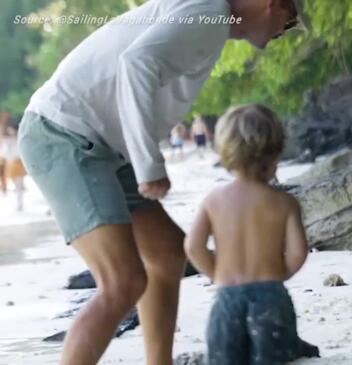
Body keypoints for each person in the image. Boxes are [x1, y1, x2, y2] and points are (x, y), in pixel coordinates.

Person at [17, 1, 309, 364]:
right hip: (66, 136)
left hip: (105, 144)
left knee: (168, 253)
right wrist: (149, 165)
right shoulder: (210, 11)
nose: (287, 31)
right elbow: (136, 63)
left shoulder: (212, 18)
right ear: (272, 4)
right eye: (292, 19)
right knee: (122, 282)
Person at [184, 104, 316, 365]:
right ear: (277, 152)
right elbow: (299, 252)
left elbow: (193, 247)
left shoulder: (214, 200)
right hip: (271, 296)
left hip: (228, 296)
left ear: (224, 153)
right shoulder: (284, 202)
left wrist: (216, 274)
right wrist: (278, 276)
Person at [1, 124, 26, 211]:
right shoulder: (7, 141)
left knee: (19, 184)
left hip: (18, 163)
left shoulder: (19, 140)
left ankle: (20, 203)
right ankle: (18, 202)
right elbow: (4, 153)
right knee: (15, 184)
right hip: (11, 164)